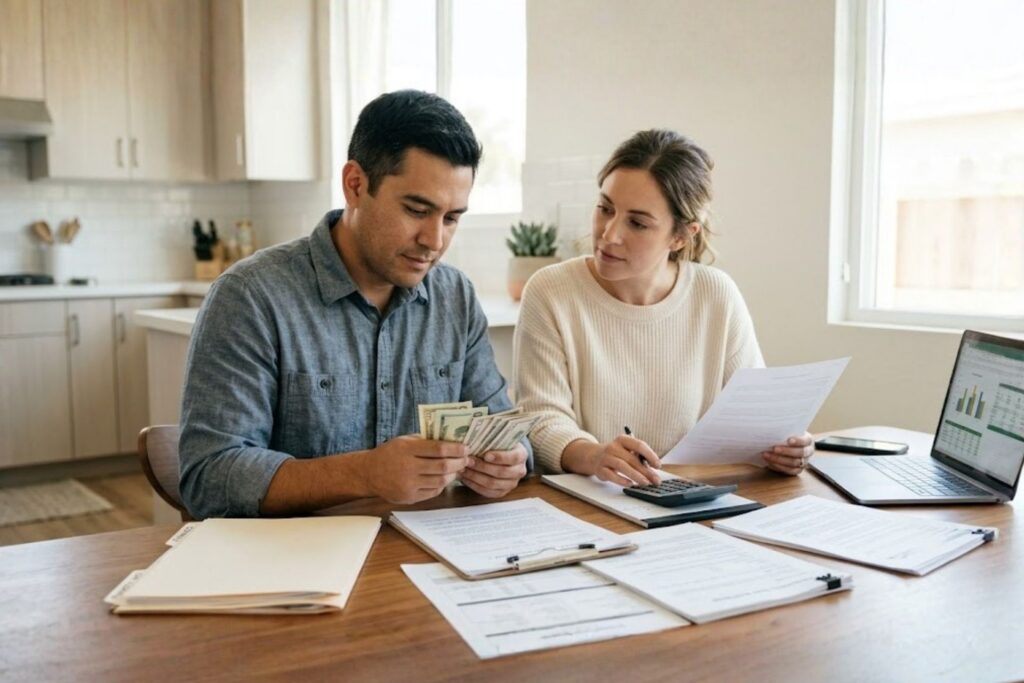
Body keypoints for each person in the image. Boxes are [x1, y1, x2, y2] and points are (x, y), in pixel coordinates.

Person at [179, 90, 531, 519]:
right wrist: (364, 474)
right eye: (417, 209)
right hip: (294, 565)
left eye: (452, 217)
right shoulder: (251, 297)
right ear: (355, 185)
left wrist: (509, 461)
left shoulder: (454, 297)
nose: (435, 241)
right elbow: (209, 477)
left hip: (424, 555)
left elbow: (505, 429)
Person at [513, 129, 813, 485]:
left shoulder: (716, 294)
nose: (609, 234)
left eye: (637, 223)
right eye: (604, 208)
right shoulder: (551, 291)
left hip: (692, 501)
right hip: (589, 504)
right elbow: (542, 418)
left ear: (681, 236)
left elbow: (755, 418)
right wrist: (594, 456)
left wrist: (784, 445)